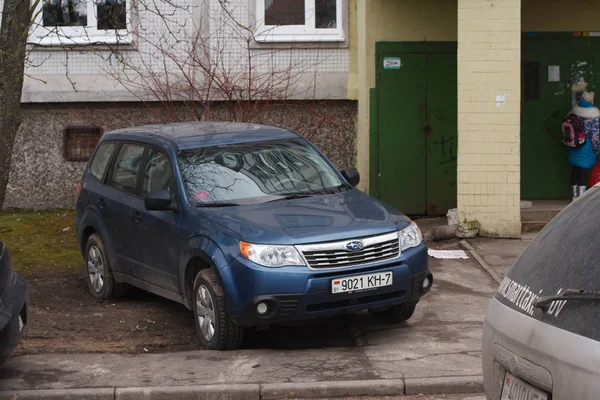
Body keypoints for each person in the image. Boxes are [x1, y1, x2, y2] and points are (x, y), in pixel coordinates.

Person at [568, 91, 600, 201]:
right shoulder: (593, 116)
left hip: (573, 145)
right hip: (586, 146)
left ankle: (574, 195)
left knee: (574, 170)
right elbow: (595, 136)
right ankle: (580, 198)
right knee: (583, 171)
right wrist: (597, 149)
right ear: (591, 100)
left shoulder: (573, 112)